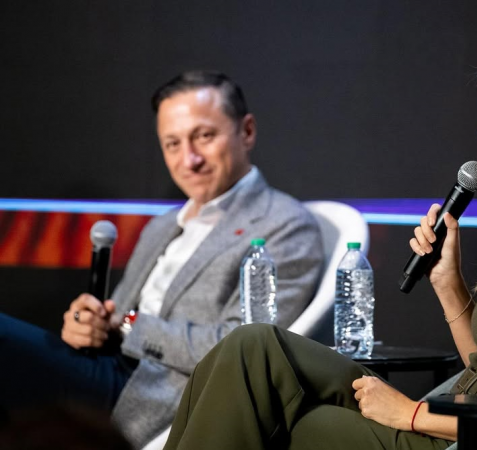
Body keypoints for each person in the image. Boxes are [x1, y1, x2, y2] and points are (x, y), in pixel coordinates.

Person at [161, 38, 477, 450]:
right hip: (457, 414)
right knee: (251, 348)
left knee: (287, 407)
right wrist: (447, 283)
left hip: (461, 438)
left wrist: (410, 414)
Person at [0, 71, 325, 448]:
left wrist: (130, 325)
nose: (189, 159)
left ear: (247, 131)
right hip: (103, 367)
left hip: (151, 396)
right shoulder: (163, 225)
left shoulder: (284, 224)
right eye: (172, 144)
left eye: (204, 136)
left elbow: (244, 349)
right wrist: (88, 326)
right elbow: (116, 318)